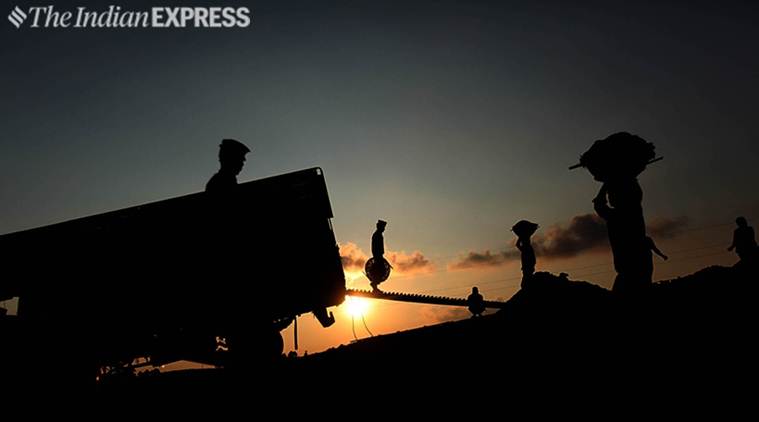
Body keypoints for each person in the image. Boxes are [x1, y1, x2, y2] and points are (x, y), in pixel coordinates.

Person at [512, 220, 538, 289]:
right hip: (527, 251)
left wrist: (522, 250)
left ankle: (526, 284)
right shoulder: (524, 236)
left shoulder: (524, 236)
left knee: (529, 266)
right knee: (528, 267)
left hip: (526, 251)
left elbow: (517, 244)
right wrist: (523, 250)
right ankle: (526, 284)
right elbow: (517, 244)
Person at [367, 220, 390, 291]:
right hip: (377, 254)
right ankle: (374, 284)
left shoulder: (378, 235)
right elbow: (375, 246)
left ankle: (375, 286)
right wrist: (378, 255)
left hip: (379, 255)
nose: (384, 229)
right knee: (379, 270)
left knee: (380, 270)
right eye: (383, 227)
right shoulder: (377, 235)